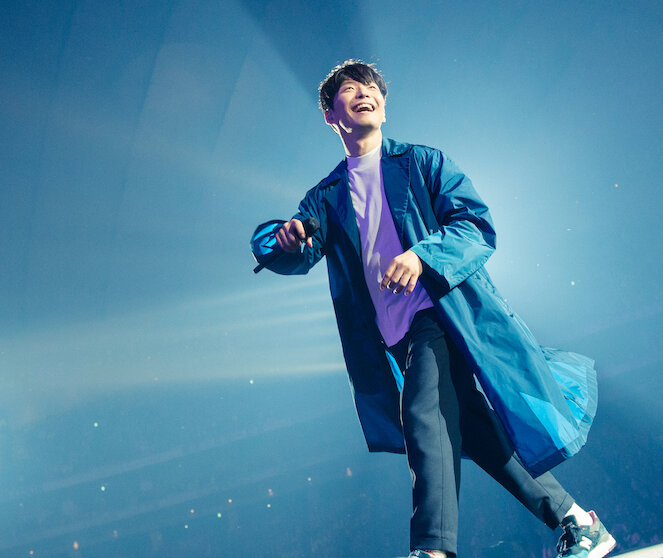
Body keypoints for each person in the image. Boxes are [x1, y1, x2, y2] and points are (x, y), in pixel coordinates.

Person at [250, 60, 615, 558]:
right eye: (350, 89)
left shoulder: (422, 163)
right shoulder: (326, 196)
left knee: (421, 417)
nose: (365, 93)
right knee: (479, 435)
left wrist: (422, 257)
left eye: (372, 87)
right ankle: (580, 523)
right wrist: (283, 238)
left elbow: (475, 225)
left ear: (383, 106)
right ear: (331, 116)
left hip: (442, 314)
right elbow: (295, 250)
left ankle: (432, 549)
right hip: (395, 336)